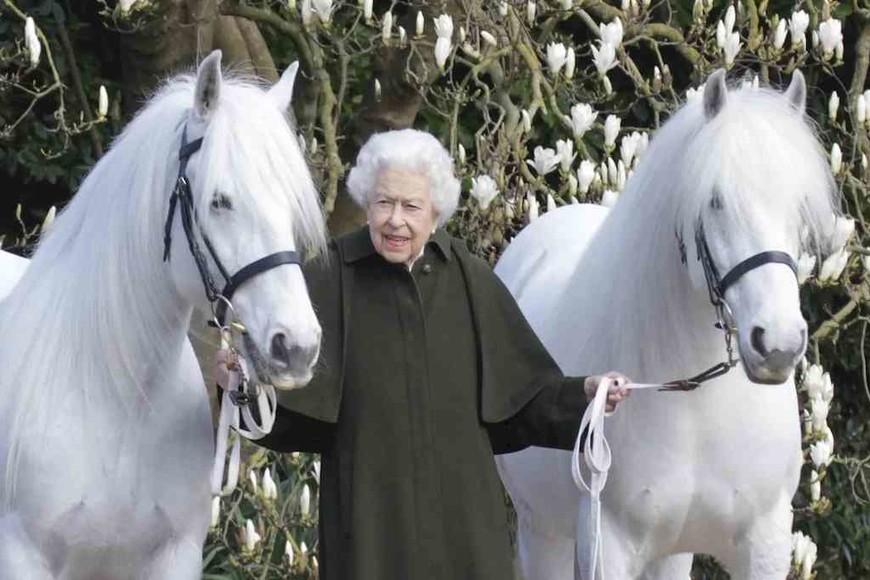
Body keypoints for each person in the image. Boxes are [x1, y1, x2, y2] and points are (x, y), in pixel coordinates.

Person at [216, 129, 630, 579]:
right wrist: (242, 388)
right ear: (366, 204)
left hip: (466, 535)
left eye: (411, 206)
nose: (396, 220)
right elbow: (290, 412)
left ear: (435, 214)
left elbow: (523, 399)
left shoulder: (467, 277)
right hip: (369, 532)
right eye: (384, 203)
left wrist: (585, 395)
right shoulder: (330, 276)